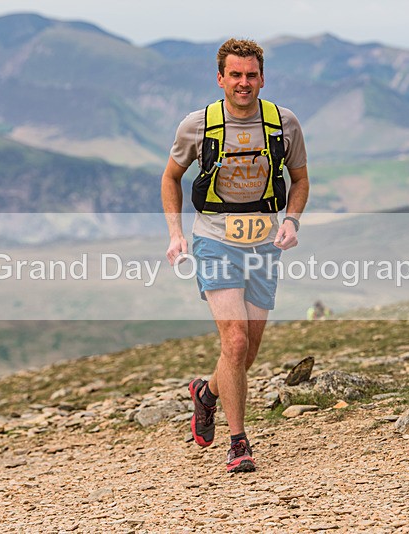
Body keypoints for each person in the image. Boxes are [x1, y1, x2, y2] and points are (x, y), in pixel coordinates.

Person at [161, 38, 309, 473]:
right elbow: (171, 178)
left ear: (262, 78)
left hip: (265, 242)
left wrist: (292, 221)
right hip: (214, 238)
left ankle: (206, 393)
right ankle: (238, 441)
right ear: (220, 78)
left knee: (245, 354)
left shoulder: (284, 123)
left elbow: (299, 180)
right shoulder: (198, 124)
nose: (243, 83)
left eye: (251, 75)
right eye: (235, 75)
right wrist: (175, 233)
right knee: (236, 339)